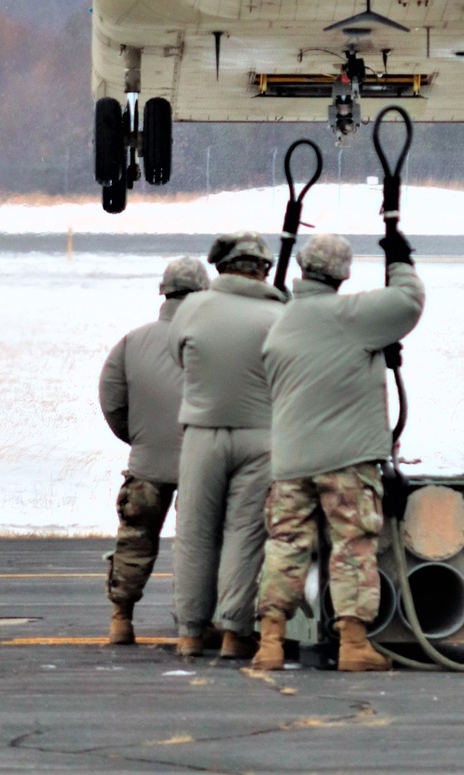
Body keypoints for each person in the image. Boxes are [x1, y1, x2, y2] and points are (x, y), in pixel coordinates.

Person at [253, 228, 425, 672]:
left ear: (303, 270)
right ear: (343, 275)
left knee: (285, 545)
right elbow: (407, 302)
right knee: (352, 546)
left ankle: (270, 641)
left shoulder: (283, 321)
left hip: (290, 460)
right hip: (345, 459)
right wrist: (400, 257)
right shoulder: (349, 315)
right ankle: (353, 644)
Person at [171, 230, 285, 660]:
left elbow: (177, 354)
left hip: (202, 432)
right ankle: (235, 631)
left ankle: (189, 632)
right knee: (245, 534)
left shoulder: (194, 307)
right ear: (262, 270)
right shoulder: (279, 315)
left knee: (196, 533)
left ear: (221, 268)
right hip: (262, 434)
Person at [98, 255, 210, 646]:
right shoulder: (211, 342)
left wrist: (140, 438)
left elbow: (112, 403)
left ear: (163, 293)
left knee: (134, 541)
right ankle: (193, 627)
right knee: (199, 545)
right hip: (204, 461)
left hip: (146, 462)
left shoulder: (131, 342)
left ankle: (121, 619)